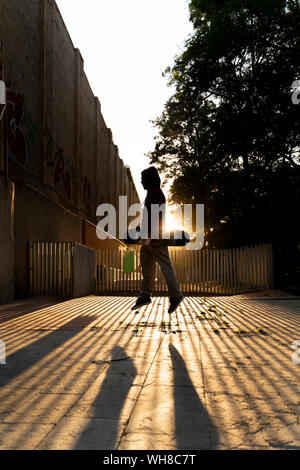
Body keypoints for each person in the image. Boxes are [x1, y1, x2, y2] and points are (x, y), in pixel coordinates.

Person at [131, 166, 183, 314]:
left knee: (166, 267)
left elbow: (157, 217)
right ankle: (145, 295)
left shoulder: (156, 194)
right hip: (148, 238)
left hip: (155, 238)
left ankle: (176, 296)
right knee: (147, 267)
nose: (141, 182)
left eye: (143, 179)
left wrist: (155, 237)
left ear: (150, 180)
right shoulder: (151, 194)